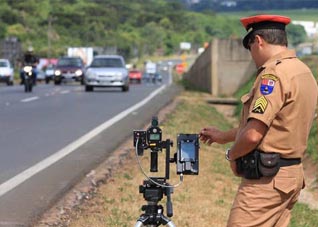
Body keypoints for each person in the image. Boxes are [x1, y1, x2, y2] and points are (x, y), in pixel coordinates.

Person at [199, 14, 318, 227]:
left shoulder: (273, 76)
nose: (252, 55)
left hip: (266, 181)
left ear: (259, 41)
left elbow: (253, 135)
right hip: (290, 176)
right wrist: (223, 137)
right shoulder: (303, 72)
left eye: (250, 48)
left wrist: (232, 154)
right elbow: (272, 125)